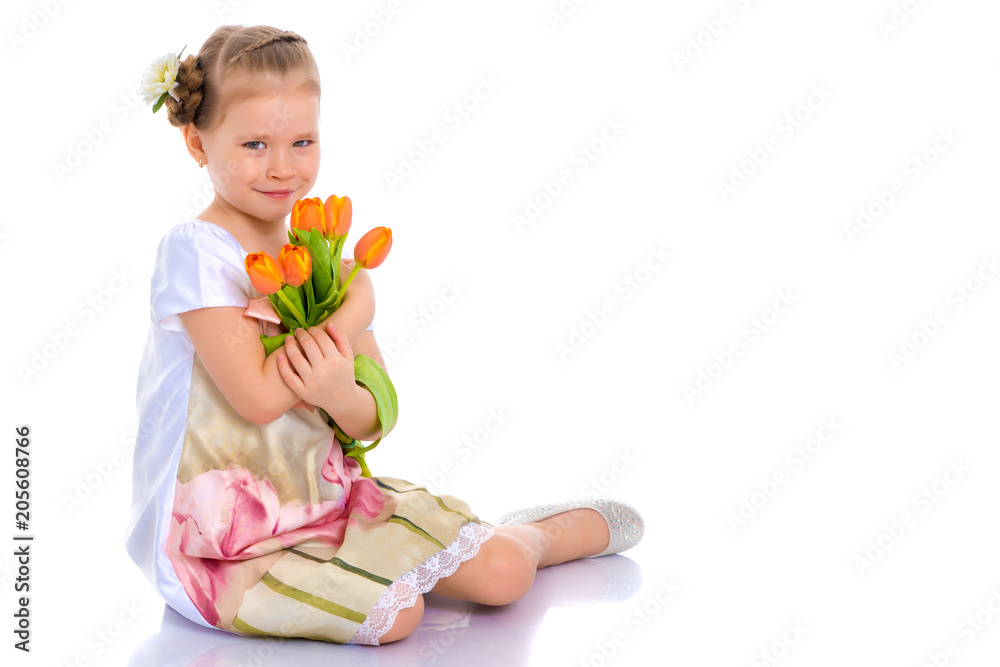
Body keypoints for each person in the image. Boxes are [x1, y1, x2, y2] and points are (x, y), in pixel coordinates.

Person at [124, 24, 644, 647]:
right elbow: (258, 400)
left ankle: (531, 534)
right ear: (196, 142)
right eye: (255, 143)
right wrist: (351, 310)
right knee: (397, 618)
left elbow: (373, 414)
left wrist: (343, 387)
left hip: (325, 502)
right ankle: (410, 567)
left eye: (303, 141)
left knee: (505, 575)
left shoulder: (322, 254)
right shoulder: (196, 252)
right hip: (223, 543)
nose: (283, 167)